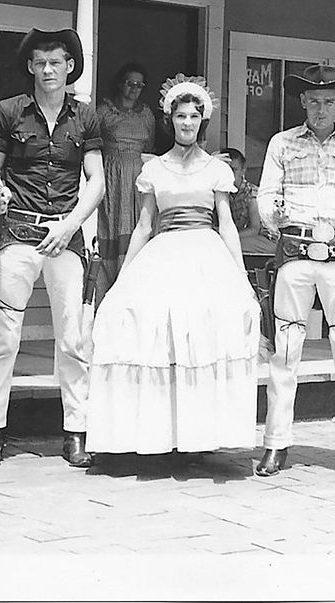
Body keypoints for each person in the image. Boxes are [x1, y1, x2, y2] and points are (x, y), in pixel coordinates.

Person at [85, 75, 260, 456]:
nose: (187, 123)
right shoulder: (155, 169)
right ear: (170, 120)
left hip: (205, 252)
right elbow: (145, 225)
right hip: (163, 252)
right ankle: (157, 436)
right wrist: (123, 278)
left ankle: (199, 439)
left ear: (202, 122)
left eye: (194, 117)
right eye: (180, 116)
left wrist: (240, 276)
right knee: (144, 324)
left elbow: (227, 224)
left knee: (202, 329)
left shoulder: (217, 169)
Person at [0, 28, 104, 469]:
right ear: (30, 66)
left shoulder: (85, 118)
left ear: (70, 67)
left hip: (64, 239)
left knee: (72, 338)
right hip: (18, 235)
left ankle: (75, 433)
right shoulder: (7, 112)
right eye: (40, 62)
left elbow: (97, 182)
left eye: (57, 62)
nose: (48, 70)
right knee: (4, 337)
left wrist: (70, 227)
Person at [253, 66, 335, 480]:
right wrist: (273, 215)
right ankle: (276, 443)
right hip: (296, 251)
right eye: (314, 101)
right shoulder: (283, 144)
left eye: (329, 101)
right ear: (303, 103)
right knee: (286, 351)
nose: (321, 108)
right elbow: (268, 193)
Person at [96, 62, 156, 297]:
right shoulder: (105, 111)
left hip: (138, 174)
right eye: (130, 83)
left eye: (139, 85)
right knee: (112, 223)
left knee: (137, 225)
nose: (134, 88)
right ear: (121, 84)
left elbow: (149, 145)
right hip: (112, 174)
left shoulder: (146, 114)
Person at [217, 147, 277, 259]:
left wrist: (227, 237)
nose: (228, 173)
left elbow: (254, 229)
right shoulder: (221, 192)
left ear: (243, 171)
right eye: (225, 169)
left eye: (233, 170)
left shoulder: (252, 194)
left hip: (266, 240)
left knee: (227, 245)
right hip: (244, 237)